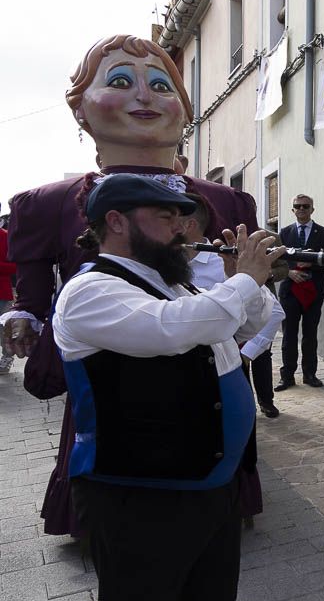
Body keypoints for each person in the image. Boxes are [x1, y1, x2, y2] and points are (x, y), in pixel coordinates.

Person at [0, 34, 260, 536]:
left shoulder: (226, 201)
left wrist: (251, 294)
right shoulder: (52, 202)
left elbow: (234, 313)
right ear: (81, 109)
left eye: (161, 85)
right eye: (120, 81)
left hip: (204, 369)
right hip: (114, 371)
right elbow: (34, 288)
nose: (144, 96)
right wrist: (24, 315)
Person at [55, 173, 280, 601]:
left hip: (209, 483)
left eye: (183, 217)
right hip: (138, 493)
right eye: (165, 216)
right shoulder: (90, 290)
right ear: (116, 222)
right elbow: (174, 328)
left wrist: (242, 283)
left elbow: (244, 329)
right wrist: (242, 282)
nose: (182, 228)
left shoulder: (175, 283)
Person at [184, 194, 284, 420]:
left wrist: (247, 353)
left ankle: (266, 401)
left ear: (187, 225)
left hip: (225, 369)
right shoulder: (161, 265)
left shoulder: (221, 260)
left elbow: (274, 313)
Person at [275, 193, 324, 390]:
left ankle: (310, 375)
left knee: (310, 335)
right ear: (292, 209)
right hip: (290, 291)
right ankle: (287, 377)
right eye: (298, 206)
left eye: (305, 206)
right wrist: (290, 272)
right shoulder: (283, 233)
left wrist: (311, 264)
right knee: (289, 335)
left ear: (312, 209)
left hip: (313, 292)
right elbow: (277, 260)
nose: (301, 209)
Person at [0, 206, 14, 374]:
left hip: (1, 293)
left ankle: (7, 357)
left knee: (3, 328)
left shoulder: (5, 237)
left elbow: (14, 266)